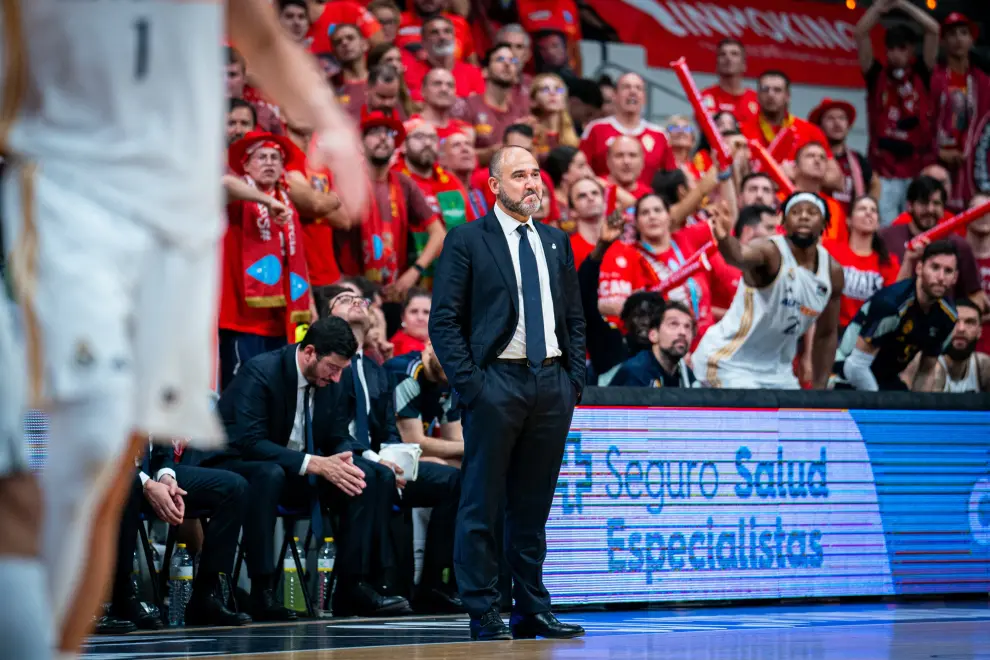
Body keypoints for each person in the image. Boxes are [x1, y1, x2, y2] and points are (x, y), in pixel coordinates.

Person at [0, 2, 367, 656]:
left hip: (175, 232)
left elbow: (257, 31)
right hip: (75, 198)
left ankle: (52, 645)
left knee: (109, 476)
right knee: (70, 457)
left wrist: (332, 122)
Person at [429, 146, 586, 641]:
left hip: (551, 384)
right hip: (496, 381)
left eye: (536, 174)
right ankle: (483, 607)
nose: (531, 184)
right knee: (482, 502)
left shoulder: (558, 242)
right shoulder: (467, 239)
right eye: (519, 176)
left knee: (533, 504)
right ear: (494, 186)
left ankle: (532, 607)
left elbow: (575, 320)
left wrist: (572, 380)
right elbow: (444, 320)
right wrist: (473, 385)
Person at [217, 316, 412, 616]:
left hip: (297, 470)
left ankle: (354, 586)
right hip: (245, 466)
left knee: (367, 476)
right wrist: (314, 463)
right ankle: (262, 590)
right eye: (332, 368)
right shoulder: (261, 371)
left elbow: (336, 434)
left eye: (340, 371)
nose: (336, 379)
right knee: (269, 474)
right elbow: (249, 441)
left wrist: (344, 458)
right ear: (309, 352)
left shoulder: (330, 381)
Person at [323, 285, 462, 614]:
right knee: (376, 476)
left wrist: (397, 458)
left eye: (361, 300)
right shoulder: (325, 366)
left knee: (454, 481)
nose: (357, 301)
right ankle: (362, 586)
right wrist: (379, 459)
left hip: (381, 460)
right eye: (344, 299)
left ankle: (434, 585)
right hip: (342, 460)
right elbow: (330, 428)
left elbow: (388, 428)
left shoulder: (374, 370)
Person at [695, 193, 844, 389]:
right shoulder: (770, 251)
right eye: (796, 212)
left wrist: (819, 388)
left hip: (778, 371)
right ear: (783, 221)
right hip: (729, 362)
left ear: (824, 223)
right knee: (753, 414)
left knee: (795, 419)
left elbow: (826, 333)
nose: (804, 216)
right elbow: (738, 256)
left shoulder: (832, 272)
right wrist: (724, 238)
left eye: (812, 212)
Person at [854, 0, 939, 225]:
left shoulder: (922, 72)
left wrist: (902, 4)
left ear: (911, 49)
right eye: (890, 48)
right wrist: (880, 7)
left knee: (919, 229)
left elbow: (934, 30)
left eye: (901, 47)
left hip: (917, 169)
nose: (895, 53)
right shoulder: (876, 75)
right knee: (886, 230)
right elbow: (860, 33)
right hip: (883, 173)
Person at [833, 240, 959, 391]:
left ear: (955, 277)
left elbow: (926, 371)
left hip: (886, 380)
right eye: (935, 267)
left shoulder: (948, 317)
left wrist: (919, 410)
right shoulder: (891, 305)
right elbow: (855, 366)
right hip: (844, 374)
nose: (940, 277)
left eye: (948, 271)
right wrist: (879, 407)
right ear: (919, 268)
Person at [823, 196, 901, 333]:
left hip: (865, 335)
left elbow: (892, 303)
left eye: (873, 210)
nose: (868, 212)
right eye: (862, 209)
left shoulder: (888, 263)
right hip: (830, 329)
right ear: (848, 220)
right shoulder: (829, 251)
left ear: (878, 223)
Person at [610, 301, 697, 388]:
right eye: (673, 324)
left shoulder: (685, 375)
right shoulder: (636, 372)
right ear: (653, 335)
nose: (683, 332)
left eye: (687, 326)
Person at [929, 299, 990, 392]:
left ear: (980, 331)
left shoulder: (983, 366)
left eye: (970, 322)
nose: (961, 329)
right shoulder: (929, 365)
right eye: (955, 321)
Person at [701, 38, 760, 125]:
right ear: (716, 65)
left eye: (734, 54)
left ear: (744, 65)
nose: (728, 58)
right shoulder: (705, 96)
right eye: (722, 54)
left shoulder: (756, 99)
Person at [390, 289, 432, 357]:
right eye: (414, 311)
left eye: (426, 312)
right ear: (403, 317)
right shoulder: (400, 346)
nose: (420, 318)